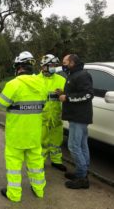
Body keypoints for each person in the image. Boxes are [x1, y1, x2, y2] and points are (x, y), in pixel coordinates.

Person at [0, 51, 47, 202]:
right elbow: (43, 105)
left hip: (16, 135)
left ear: (18, 67)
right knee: (36, 163)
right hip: (34, 134)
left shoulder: (13, 84)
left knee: (14, 166)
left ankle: (14, 194)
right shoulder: (41, 83)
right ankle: (39, 190)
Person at [58, 54, 93, 189]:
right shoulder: (74, 74)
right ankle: (81, 172)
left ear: (72, 62)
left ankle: (82, 177)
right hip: (77, 116)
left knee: (73, 146)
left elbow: (88, 94)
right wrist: (62, 93)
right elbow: (76, 91)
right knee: (82, 145)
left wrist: (67, 98)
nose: (63, 64)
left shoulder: (82, 75)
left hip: (79, 117)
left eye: (65, 62)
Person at [38, 54, 67, 171]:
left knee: (56, 140)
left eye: (55, 65)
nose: (53, 67)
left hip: (56, 117)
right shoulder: (35, 80)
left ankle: (56, 161)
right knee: (41, 141)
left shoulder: (61, 80)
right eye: (51, 65)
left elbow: (66, 97)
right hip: (41, 117)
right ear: (43, 66)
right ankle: (40, 162)